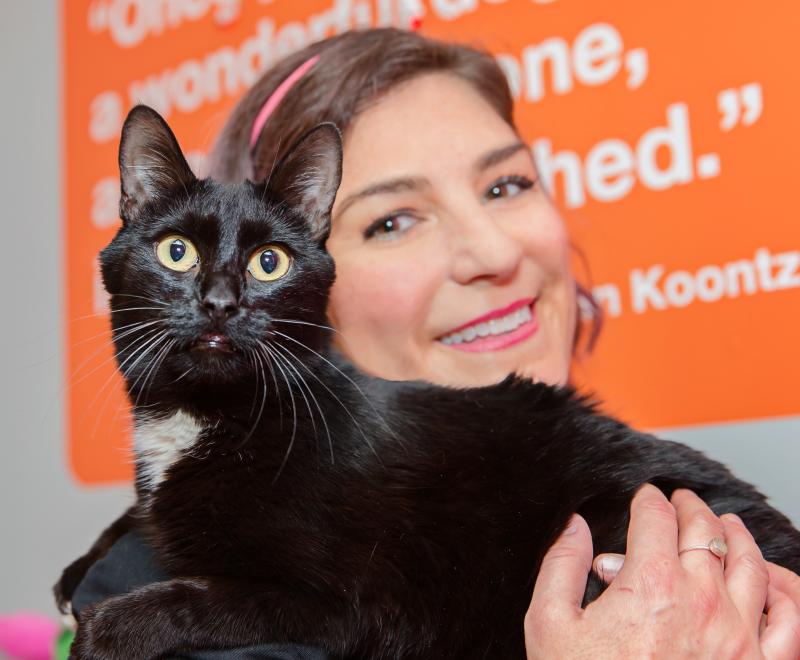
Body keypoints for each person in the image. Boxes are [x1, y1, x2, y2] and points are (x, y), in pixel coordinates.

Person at [72, 27, 800, 658]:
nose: (490, 250)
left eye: (506, 185)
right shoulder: (166, 594)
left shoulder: (629, 485)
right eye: (391, 221)